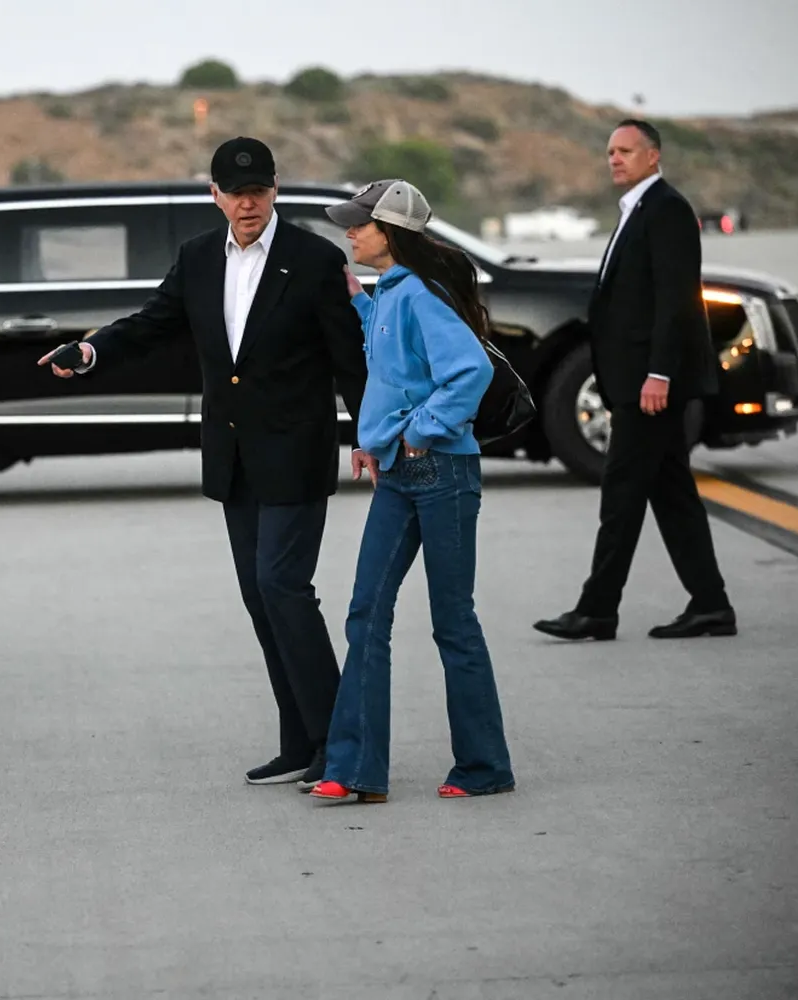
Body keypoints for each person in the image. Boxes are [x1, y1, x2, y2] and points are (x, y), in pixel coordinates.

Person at [40, 136, 369, 791]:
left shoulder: (314, 259)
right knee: (259, 597)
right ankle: (299, 741)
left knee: (283, 587)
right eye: (234, 191)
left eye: (259, 190)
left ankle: (342, 744)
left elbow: (348, 358)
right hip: (235, 456)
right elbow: (153, 322)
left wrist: (368, 433)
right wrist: (92, 349)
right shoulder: (197, 258)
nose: (248, 203)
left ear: (276, 190)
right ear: (214, 194)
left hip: (297, 451)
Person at [302, 179, 514, 805]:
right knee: (366, 612)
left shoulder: (420, 293)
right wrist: (377, 439)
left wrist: (421, 433)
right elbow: (397, 373)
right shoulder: (390, 293)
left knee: (452, 622)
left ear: (390, 232)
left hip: (443, 473)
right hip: (397, 475)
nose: (351, 234)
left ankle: (484, 766)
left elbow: (468, 371)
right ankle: (358, 770)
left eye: (360, 225)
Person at [534, 119, 735, 643]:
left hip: (649, 385)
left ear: (653, 156)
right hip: (633, 381)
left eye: (625, 151)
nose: (614, 159)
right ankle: (711, 605)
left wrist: (658, 373)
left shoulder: (666, 209)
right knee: (672, 495)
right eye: (610, 152)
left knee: (622, 495)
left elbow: (676, 302)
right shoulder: (637, 211)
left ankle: (597, 609)